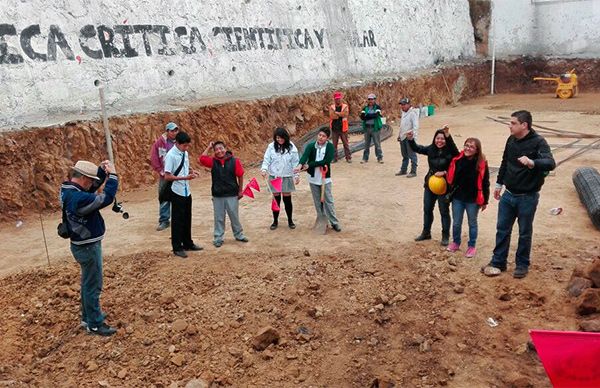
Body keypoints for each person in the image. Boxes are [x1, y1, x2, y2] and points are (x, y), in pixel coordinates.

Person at [483, 110, 555, 279]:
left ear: (524, 125)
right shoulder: (511, 140)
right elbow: (504, 162)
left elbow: (550, 163)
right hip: (508, 195)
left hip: (527, 197)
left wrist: (532, 162)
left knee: (524, 232)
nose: (510, 125)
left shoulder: (538, 142)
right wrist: (499, 184)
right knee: (502, 230)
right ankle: (498, 261)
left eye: (513, 123)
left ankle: (522, 265)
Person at [60, 159, 118, 336]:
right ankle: (94, 323)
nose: (93, 184)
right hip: (87, 246)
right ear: (84, 178)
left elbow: (90, 190)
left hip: (81, 244)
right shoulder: (79, 199)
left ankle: (88, 316)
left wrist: (100, 172)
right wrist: (113, 177)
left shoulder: (68, 190)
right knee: (93, 284)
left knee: (87, 282)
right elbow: (104, 198)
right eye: (91, 179)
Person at [407, 125, 459, 246]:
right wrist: (410, 139)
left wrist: (445, 173)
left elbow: (457, 156)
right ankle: (426, 233)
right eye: (437, 138)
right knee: (427, 209)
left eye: (442, 139)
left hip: (444, 187)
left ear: (446, 140)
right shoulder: (431, 149)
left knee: (444, 211)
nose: (439, 141)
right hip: (430, 184)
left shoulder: (451, 152)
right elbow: (418, 148)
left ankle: (445, 235)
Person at [446, 138, 490, 258]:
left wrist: (485, 200)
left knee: (472, 223)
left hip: (473, 200)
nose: (468, 148)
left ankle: (471, 246)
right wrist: (447, 135)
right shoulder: (458, 159)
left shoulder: (481, 163)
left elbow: (485, 182)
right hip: (458, 198)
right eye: (466, 145)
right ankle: (456, 242)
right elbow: (451, 146)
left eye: (471, 147)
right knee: (456, 223)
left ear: (477, 150)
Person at [199, 141, 249, 247]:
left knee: (234, 216)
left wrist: (240, 191)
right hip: (218, 195)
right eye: (216, 149)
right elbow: (202, 159)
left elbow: (240, 175)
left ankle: (239, 234)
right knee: (219, 217)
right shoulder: (213, 162)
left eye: (221, 148)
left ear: (225, 149)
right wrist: (208, 147)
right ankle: (218, 238)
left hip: (232, 193)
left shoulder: (235, 161)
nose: (219, 151)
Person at [163, 131, 203, 258]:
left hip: (187, 191)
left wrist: (191, 171)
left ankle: (187, 242)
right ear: (177, 143)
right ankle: (177, 247)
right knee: (177, 220)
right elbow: (167, 176)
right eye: (184, 145)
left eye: (187, 146)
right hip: (177, 191)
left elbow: (185, 166)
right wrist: (185, 177)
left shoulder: (184, 153)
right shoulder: (171, 156)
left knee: (187, 218)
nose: (186, 148)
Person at [295, 127, 341, 231]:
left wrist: (310, 165)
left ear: (327, 138)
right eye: (320, 135)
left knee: (328, 200)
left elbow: (326, 161)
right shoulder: (311, 146)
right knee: (317, 201)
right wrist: (300, 165)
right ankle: (321, 219)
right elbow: (305, 156)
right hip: (313, 178)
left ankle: (334, 222)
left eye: (323, 136)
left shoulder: (330, 147)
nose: (321, 137)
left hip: (325, 178)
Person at [261, 127, 300, 230]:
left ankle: (290, 220)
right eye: (277, 138)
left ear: (285, 137)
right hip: (275, 176)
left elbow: (295, 163)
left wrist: (296, 176)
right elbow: (266, 159)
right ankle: (275, 221)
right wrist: (264, 169)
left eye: (282, 138)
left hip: (286, 176)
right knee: (276, 199)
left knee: (287, 199)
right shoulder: (271, 147)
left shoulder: (292, 147)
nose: (280, 140)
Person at [150, 122, 179, 231]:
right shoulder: (159, 143)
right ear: (167, 131)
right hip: (164, 175)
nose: (174, 133)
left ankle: (177, 219)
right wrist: (160, 171)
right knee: (164, 197)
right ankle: (164, 220)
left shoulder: (179, 142)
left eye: (176, 130)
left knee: (178, 197)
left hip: (177, 174)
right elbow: (154, 157)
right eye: (172, 131)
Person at [396, 97, 419, 177]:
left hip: (410, 137)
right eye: (401, 105)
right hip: (403, 137)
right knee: (404, 155)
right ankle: (403, 170)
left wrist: (413, 137)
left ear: (409, 104)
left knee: (412, 154)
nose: (402, 106)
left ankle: (413, 171)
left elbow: (416, 126)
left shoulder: (413, 113)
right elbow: (402, 125)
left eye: (404, 104)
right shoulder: (403, 113)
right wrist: (399, 134)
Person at [360, 93, 384, 164]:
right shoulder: (365, 108)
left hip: (375, 128)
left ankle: (380, 158)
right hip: (367, 128)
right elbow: (362, 117)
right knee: (366, 144)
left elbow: (376, 115)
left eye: (372, 99)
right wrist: (370, 115)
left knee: (377, 144)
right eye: (369, 99)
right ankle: (365, 158)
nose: (370, 100)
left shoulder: (377, 107)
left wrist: (367, 115)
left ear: (374, 99)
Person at [329, 91, 352, 163]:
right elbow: (332, 116)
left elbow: (345, 114)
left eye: (338, 99)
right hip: (334, 129)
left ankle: (348, 157)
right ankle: (335, 158)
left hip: (343, 128)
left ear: (341, 98)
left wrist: (337, 113)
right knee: (334, 145)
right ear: (334, 99)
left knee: (345, 144)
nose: (337, 100)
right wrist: (340, 114)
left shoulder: (345, 106)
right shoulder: (332, 107)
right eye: (336, 99)